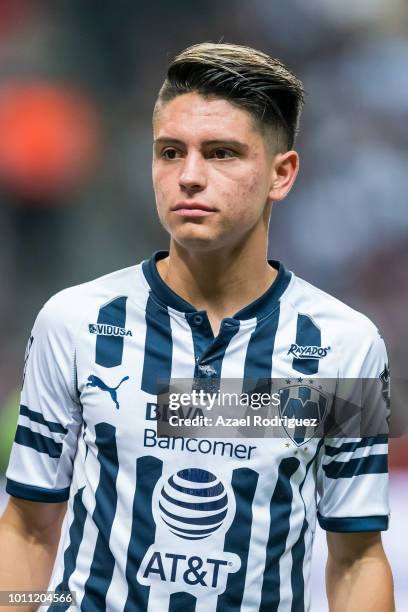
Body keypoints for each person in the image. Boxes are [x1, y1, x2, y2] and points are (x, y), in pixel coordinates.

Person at [0, 42, 394, 611]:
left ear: (281, 174)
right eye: (169, 152)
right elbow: (29, 527)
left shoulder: (345, 346)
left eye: (221, 153)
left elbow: (356, 556)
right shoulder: (75, 321)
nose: (188, 176)